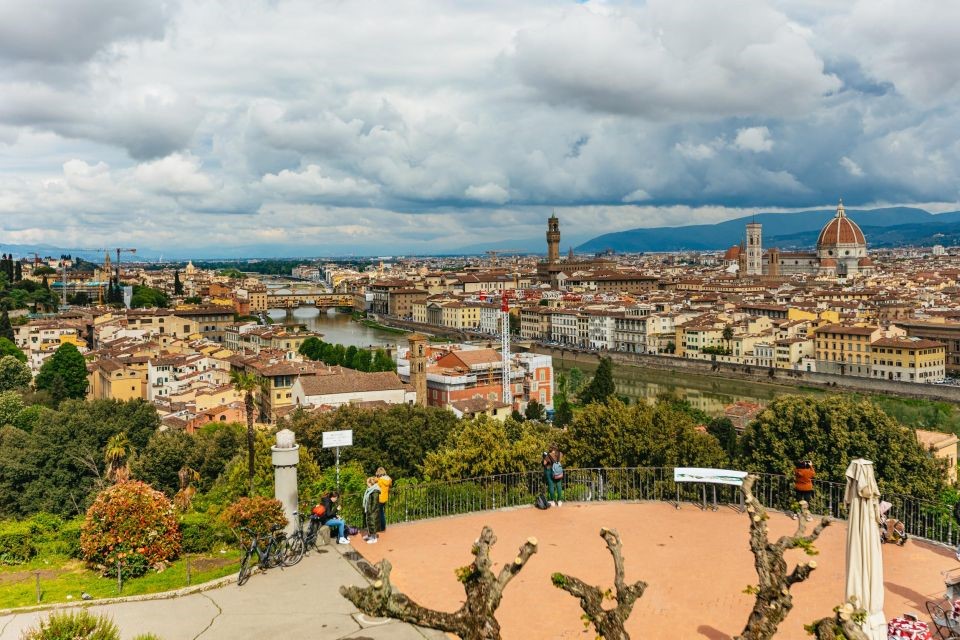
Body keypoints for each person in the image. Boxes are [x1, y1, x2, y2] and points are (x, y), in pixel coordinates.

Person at [362, 477, 381, 544]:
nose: (366, 484)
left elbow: (375, 503)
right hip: (369, 509)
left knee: (373, 524)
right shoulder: (370, 490)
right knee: (370, 523)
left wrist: (371, 510)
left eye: (367, 482)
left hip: (373, 511)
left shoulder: (375, 491)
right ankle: (371, 536)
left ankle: (374, 538)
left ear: (370, 483)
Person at [375, 467, 392, 533]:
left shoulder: (380, 480)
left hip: (379, 498)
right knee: (381, 513)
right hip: (385, 498)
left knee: (380, 513)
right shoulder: (388, 479)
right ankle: (382, 527)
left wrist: (376, 476)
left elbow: (374, 484)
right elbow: (390, 484)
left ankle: (382, 527)